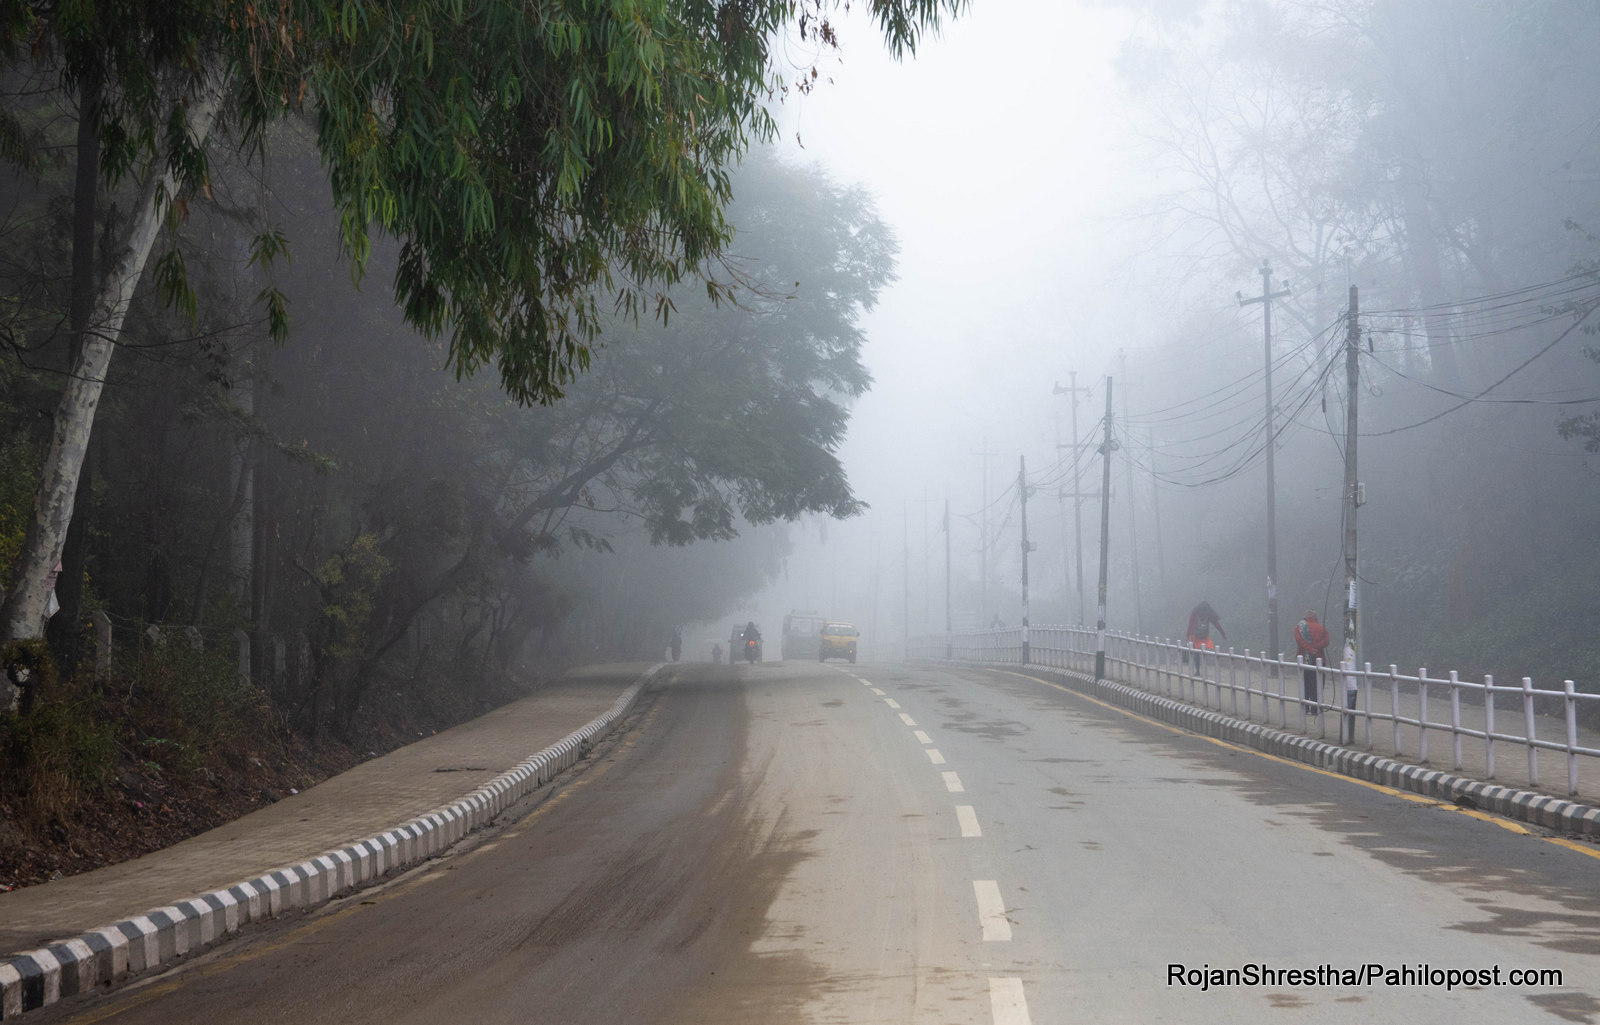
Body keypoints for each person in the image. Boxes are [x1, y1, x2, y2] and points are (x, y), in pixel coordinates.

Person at [1294, 610, 1331, 715]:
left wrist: (1309, 649)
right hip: (1319, 659)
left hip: (1304, 660)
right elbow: (1326, 641)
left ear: (1305, 618)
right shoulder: (1322, 628)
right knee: (1317, 684)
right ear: (1315, 618)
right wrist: (1316, 648)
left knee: (1305, 683)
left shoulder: (1299, 627)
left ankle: (1305, 707)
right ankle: (1316, 708)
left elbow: (1299, 640)